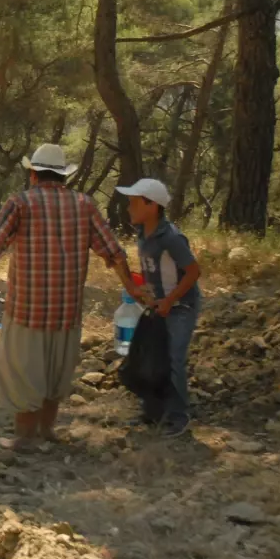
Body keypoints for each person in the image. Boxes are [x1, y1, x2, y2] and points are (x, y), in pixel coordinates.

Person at [0, 143, 143, 451]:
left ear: (33, 174)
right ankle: (47, 431)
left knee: (24, 371)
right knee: (57, 371)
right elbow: (113, 252)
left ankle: (25, 438)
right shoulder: (84, 205)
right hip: (66, 311)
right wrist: (133, 287)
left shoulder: (20, 203)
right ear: (63, 178)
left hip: (27, 311)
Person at [116, 178, 203, 438]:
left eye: (133, 202)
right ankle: (152, 412)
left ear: (151, 205)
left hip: (181, 307)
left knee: (173, 358)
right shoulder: (143, 233)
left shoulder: (172, 237)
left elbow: (193, 271)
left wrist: (169, 299)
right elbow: (155, 271)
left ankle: (178, 416)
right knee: (151, 356)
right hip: (159, 306)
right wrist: (143, 290)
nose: (129, 208)